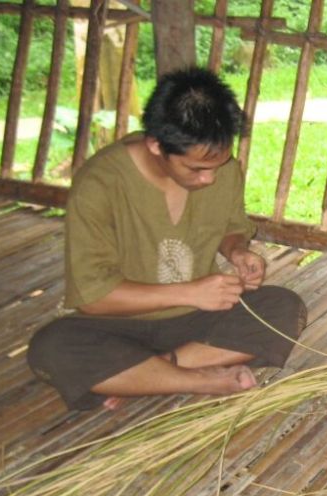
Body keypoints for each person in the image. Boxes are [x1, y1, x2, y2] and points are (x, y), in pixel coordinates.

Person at [28, 67, 306, 410]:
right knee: (53, 347)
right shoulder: (100, 183)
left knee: (283, 308)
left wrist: (236, 251)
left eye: (219, 164)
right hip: (117, 324)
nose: (209, 178)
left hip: (193, 320)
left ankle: (145, 375)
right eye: (196, 169)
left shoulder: (221, 168)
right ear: (156, 145)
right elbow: (92, 297)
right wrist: (190, 292)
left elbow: (229, 225)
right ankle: (200, 378)